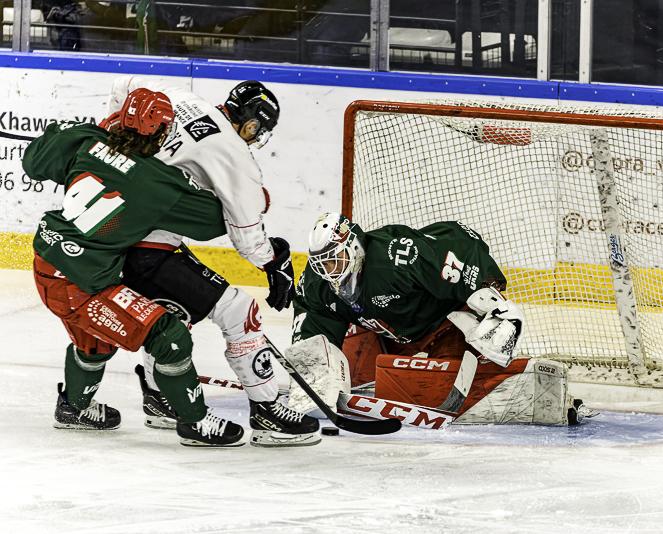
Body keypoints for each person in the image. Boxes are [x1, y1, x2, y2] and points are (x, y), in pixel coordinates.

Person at [105, 77, 319, 447]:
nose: (256, 137)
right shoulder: (234, 155)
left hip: (110, 236)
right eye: (259, 130)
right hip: (146, 249)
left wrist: (114, 135)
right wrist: (274, 262)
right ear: (251, 124)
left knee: (173, 311)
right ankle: (268, 412)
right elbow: (247, 238)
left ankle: (160, 397)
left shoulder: (181, 98)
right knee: (240, 310)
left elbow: (124, 84)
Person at [25, 88, 243, 446]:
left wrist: (72, 132)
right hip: (82, 284)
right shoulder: (158, 183)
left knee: (96, 342)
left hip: (49, 264)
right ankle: (194, 421)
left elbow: (33, 163)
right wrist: (249, 196)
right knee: (170, 338)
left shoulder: (87, 142)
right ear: (162, 133)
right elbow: (218, 222)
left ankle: (74, 408)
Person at [287, 213, 589, 426]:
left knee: (441, 386)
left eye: (334, 259)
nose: (329, 270)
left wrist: (492, 302)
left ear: (354, 247)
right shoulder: (317, 282)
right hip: (389, 333)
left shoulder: (397, 256)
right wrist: (312, 367)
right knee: (346, 374)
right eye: (321, 263)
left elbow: (459, 242)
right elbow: (313, 323)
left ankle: (527, 382)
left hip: (442, 326)